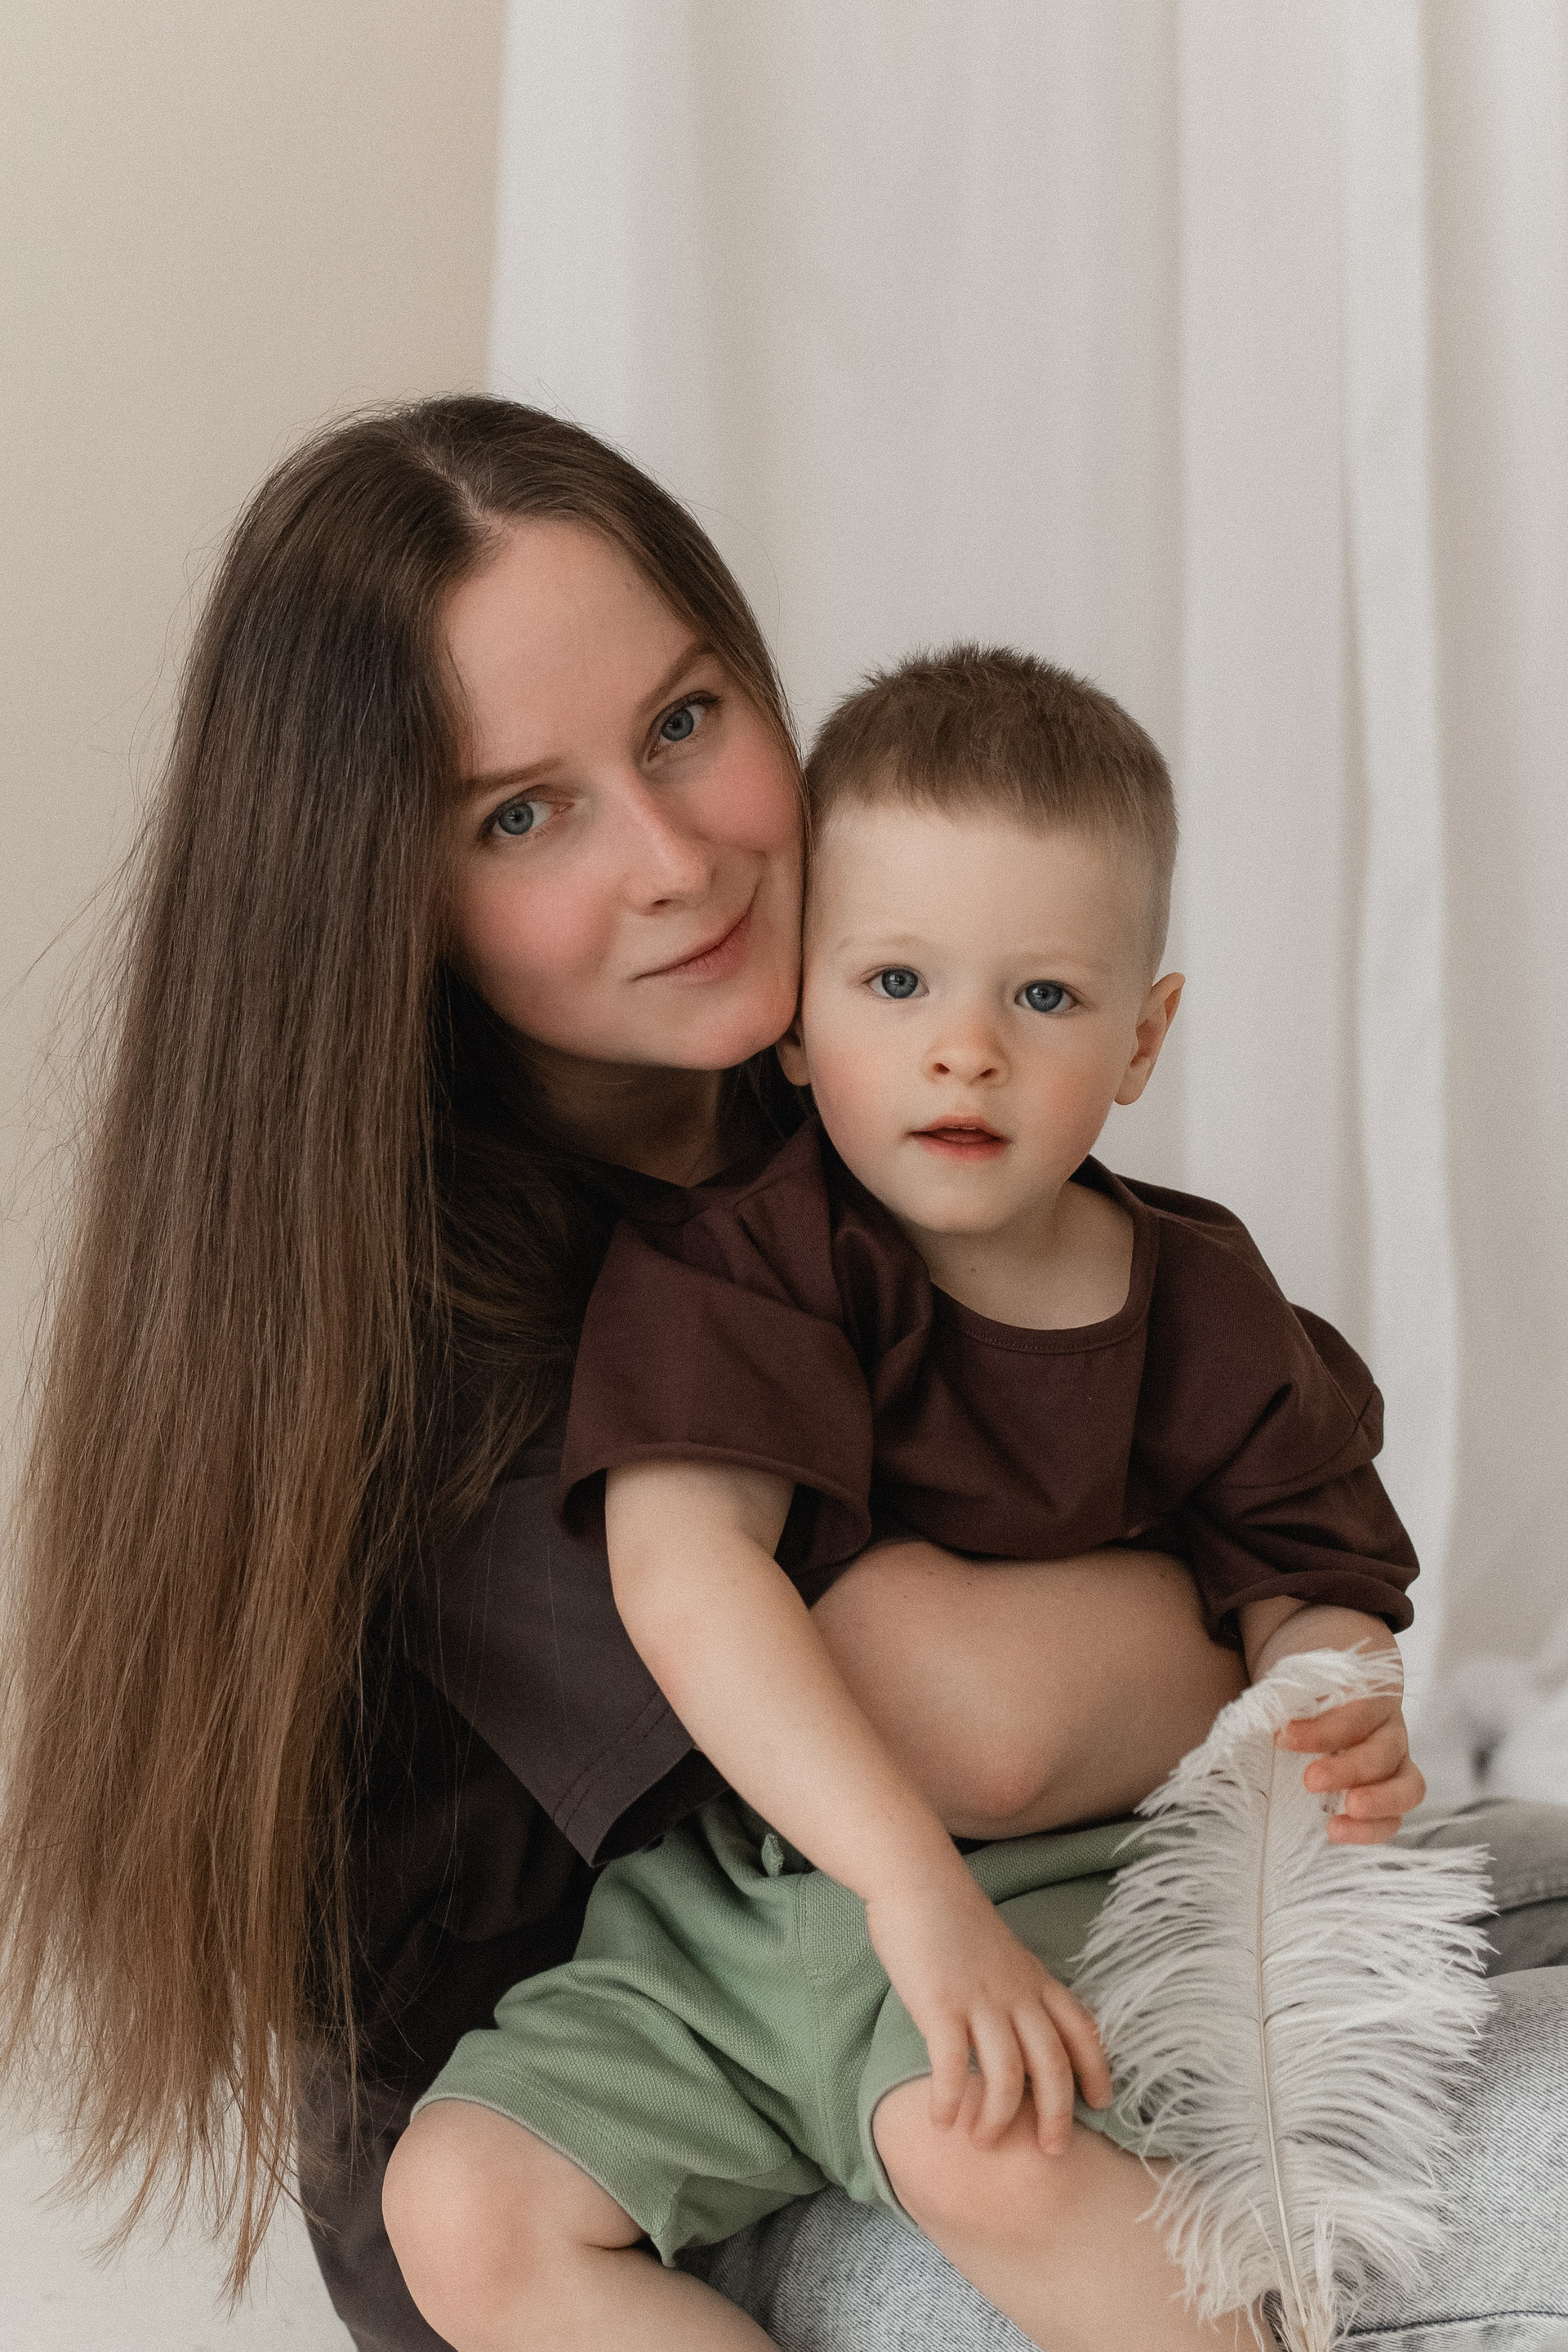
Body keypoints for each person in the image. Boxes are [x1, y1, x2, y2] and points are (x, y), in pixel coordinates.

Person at [0, 395, 1563, 2352]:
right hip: (654, 2124)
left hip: (1015, 1937)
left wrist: (1299, 1649)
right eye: (520, 814)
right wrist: (1247, 1643)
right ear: (385, 896)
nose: (679, 858)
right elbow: (991, 1734)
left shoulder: (864, 1106)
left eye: (682, 722)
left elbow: (1212, 1512)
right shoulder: (428, 1323)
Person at [383, 648, 1428, 2352]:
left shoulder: (1209, 1306)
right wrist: (905, 1889)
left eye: (1044, 998)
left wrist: (1334, 1695)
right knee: (461, 2203)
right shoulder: (736, 1267)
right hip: (747, 1904)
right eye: (894, 982)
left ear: (1144, 1036)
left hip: (1064, 1885)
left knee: (987, 2143)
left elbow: (1311, 1576)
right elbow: (687, 1568)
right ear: (795, 1021)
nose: (964, 1053)